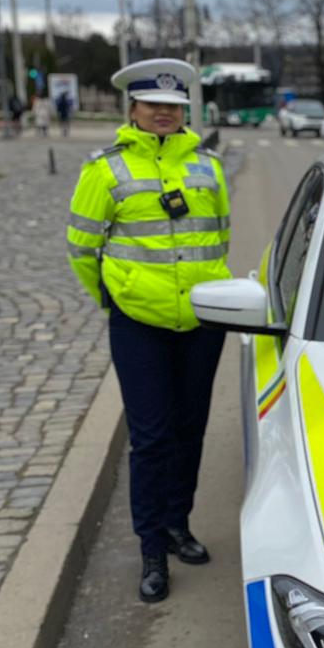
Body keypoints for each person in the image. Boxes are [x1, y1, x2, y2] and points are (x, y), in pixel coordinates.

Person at [66, 59, 232, 603]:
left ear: (186, 110)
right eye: (153, 105)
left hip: (202, 324)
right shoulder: (104, 170)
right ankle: (152, 550)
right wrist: (116, 299)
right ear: (132, 109)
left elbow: (220, 237)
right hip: (138, 325)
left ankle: (178, 523)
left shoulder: (208, 166)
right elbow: (80, 249)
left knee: (189, 429)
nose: (164, 113)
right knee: (152, 438)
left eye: (174, 106)